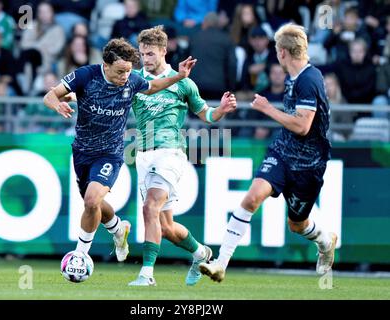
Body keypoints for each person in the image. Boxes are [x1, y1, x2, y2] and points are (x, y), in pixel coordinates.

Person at [200, 23, 338, 282]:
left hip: (308, 165)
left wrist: (267, 108)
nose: (276, 55)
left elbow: (302, 125)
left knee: (297, 224)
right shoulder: (293, 78)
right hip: (283, 153)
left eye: (277, 50)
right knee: (252, 198)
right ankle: (220, 263)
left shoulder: (309, 80)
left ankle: (324, 240)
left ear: (283, 52)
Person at [43, 37, 197, 263]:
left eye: (128, 71)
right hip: (83, 152)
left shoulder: (131, 81)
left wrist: (180, 76)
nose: (125, 77)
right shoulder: (86, 75)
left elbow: (152, 87)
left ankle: (80, 255)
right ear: (106, 65)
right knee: (92, 202)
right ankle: (117, 229)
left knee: (91, 201)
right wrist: (59, 105)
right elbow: (50, 95)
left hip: (110, 154)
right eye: (120, 71)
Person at [128, 25, 237, 286]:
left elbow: (206, 115)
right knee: (165, 227)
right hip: (143, 155)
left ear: (164, 51)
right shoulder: (134, 80)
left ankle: (146, 274)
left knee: (149, 207)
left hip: (171, 153)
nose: (146, 59)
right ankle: (201, 252)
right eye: (143, 54)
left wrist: (220, 110)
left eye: (151, 53)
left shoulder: (184, 83)